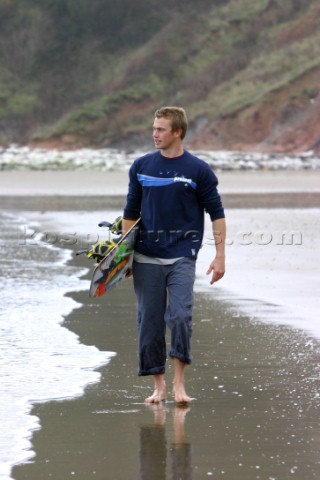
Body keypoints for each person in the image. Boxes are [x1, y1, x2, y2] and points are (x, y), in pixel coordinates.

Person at [122, 106, 226, 404]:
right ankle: (159, 386)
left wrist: (220, 255)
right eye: (154, 128)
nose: (154, 134)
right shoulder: (141, 166)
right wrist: (124, 257)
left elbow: (217, 213)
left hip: (182, 253)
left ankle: (179, 384)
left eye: (161, 129)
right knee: (149, 322)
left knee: (180, 316)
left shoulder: (198, 170)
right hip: (145, 256)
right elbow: (131, 212)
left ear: (177, 132)